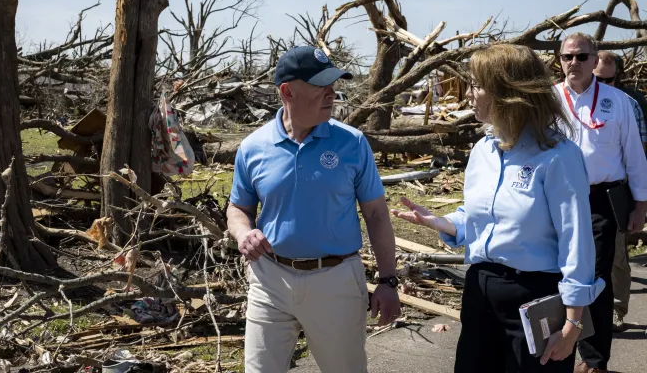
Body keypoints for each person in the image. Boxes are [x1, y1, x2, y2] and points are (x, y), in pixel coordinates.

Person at [391, 44, 604, 373]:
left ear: (506, 92)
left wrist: (572, 325)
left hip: (534, 298)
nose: (468, 94)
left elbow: (576, 241)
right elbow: (483, 217)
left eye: (476, 85)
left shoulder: (558, 156)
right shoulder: (482, 151)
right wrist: (444, 223)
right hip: (479, 291)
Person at [227, 45, 401, 373]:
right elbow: (238, 206)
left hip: (335, 280)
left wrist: (388, 280)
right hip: (270, 280)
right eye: (321, 85)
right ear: (287, 91)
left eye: (333, 84)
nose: (331, 94)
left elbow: (377, 214)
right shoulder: (253, 148)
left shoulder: (352, 143)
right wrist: (243, 233)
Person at [554, 33, 647, 373]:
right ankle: (557, 352)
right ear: (559, 60)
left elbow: (634, 156)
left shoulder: (618, 101)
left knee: (595, 278)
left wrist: (641, 204)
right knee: (556, 273)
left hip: (601, 199)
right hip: (557, 199)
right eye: (567, 57)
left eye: (581, 57)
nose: (573, 63)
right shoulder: (549, 99)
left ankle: (594, 361)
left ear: (595, 60)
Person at [593, 50, 647, 333]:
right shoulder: (568, 99)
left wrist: (639, 200)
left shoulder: (628, 103)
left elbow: (639, 152)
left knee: (616, 255)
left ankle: (616, 309)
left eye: (607, 79)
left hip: (617, 190)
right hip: (581, 192)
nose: (601, 83)